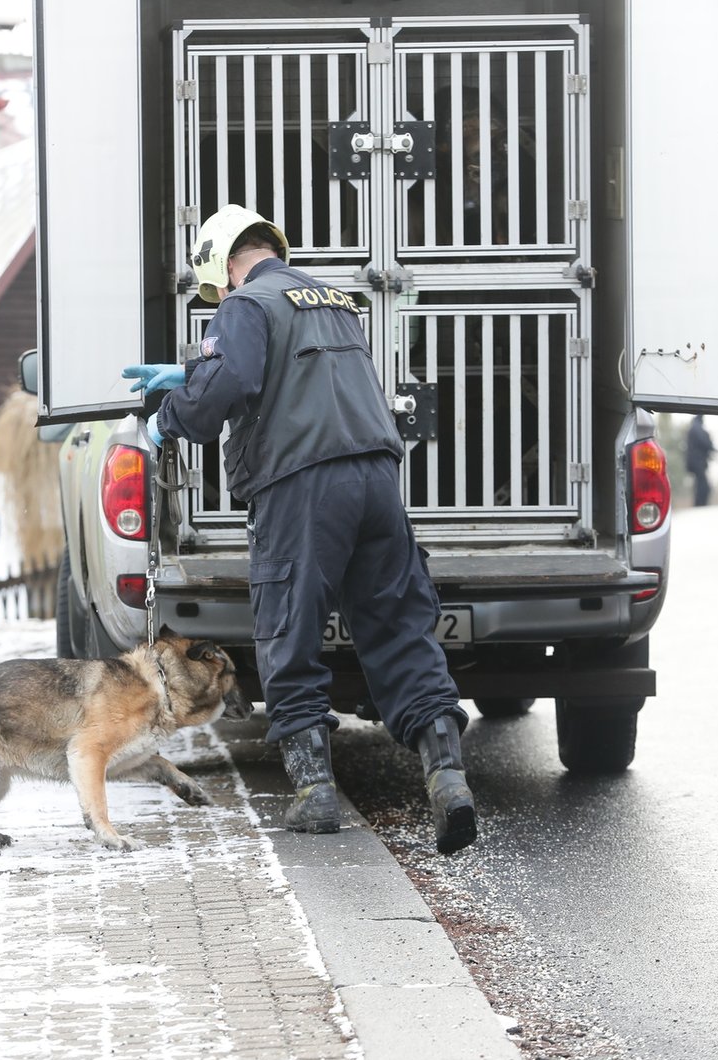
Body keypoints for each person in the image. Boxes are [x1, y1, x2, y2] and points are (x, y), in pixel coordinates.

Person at [123, 204, 476, 854]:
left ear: (227, 265)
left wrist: (169, 416)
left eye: (217, 286)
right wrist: (193, 367)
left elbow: (233, 379)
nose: (221, 297)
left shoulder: (245, 303)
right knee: (400, 625)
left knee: (289, 624)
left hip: (301, 484)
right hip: (374, 478)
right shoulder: (332, 298)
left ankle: (314, 793)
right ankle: (447, 775)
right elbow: (289, 371)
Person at [685, 415, 716, 507]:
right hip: (697, 462)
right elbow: (706, 442)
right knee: (703, 486)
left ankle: (700, 504)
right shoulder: (696, 428)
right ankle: (700, 505)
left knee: (700, 484)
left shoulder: (694, 427)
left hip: (696, 462)